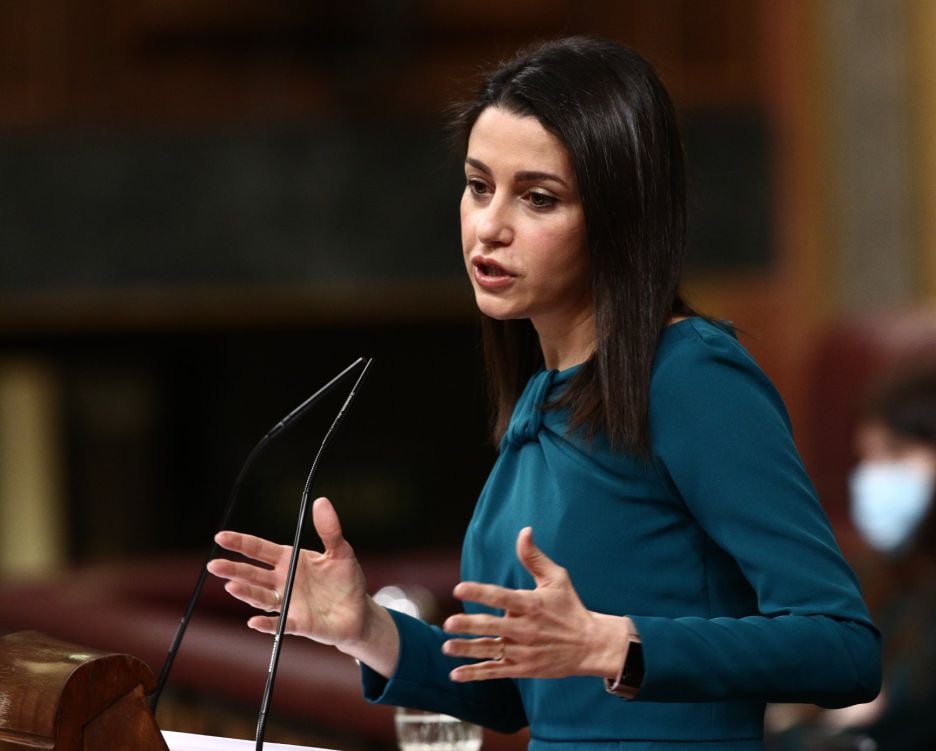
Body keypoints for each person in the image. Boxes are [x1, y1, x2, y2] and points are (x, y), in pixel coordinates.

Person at [208, 36, 880, 750]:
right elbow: (506, 692)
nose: (489, 226)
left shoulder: (691, 376)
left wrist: (616, 643)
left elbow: (842, 647)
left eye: (537, 198)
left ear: (620, 218)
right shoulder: (543, 398)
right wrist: (365, 627)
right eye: (477, 186)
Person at [767, 364, 936, 751]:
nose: (873, 477)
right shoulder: (877, 572)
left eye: (896, 453)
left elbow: (877, 728)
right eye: (868, 457)